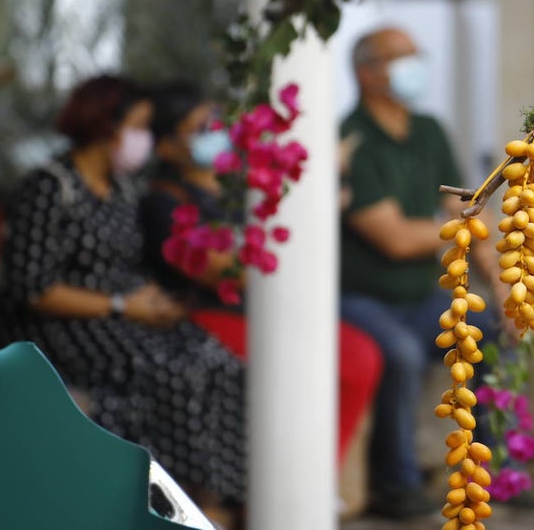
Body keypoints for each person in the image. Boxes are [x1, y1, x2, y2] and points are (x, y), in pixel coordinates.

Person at [0, 74, 246, 529]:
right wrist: (121, 307)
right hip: (59, 325)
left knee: (217, 362)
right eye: (138, 125)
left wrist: (148, 299)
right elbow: (32, 287)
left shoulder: (123, 189)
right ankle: (163, 508)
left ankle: (214, 500)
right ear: (105, 124)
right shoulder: (49, 187)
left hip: (122, 316)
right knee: (172, 373)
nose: (143, 139)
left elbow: (126, 265)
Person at [338, 28, 534, 519]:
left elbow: (469, 213)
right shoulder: (350, 140)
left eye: (417, 54)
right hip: (362, 300)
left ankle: (501, 473)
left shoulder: (430, 131)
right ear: (366, 73)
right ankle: (395, 486)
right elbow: (393, 239)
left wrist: (503, 287)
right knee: (395, 353)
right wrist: (451, 225)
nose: (414, 65)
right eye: (400, 58)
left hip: (423, 297)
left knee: (495, 336)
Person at [139, 81, 383, 480]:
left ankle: (315, 481)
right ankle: (283, 489)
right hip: (208, 317)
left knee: (360, 356)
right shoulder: (164, 202)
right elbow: (222, 272)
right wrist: (306, 218)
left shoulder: (239, 188)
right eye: (200, 127)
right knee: (323, 364)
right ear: (166, 147)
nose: (217, 132)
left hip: (263, 313)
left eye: (218, 121)